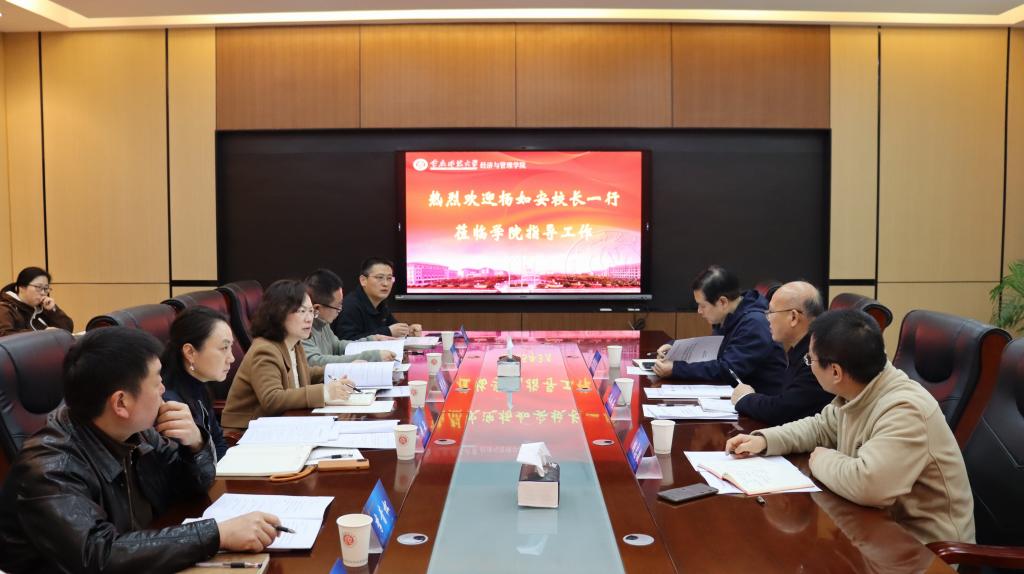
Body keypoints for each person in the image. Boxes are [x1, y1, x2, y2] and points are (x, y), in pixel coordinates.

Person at [0, 327, 281, 573]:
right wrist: (217, 535)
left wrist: (195, 445)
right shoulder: (50, 469)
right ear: (121, 403)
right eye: (157, 381)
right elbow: (99, 555)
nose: (163, 390)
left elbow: (191, 488)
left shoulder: (138, 432)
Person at [725, 310, 975, 546]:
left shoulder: (905, 410)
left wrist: (821, 459)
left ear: (835, 371)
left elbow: (870, 485)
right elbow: (820, 427)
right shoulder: (859, 388)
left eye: (810, 359)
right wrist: (765, 440)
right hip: (877, 529)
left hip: (924, 550)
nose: (809, 365)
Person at [221, 279, 354, 431]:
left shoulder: (294, 343)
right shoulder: (265, 350)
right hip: (247, 432)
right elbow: (272, 399)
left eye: (311, 311)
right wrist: (325, 392)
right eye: (302, 311)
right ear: (279, 313)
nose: (309, 318)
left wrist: (342, 371)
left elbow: (303, 374)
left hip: (281, 424)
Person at [653, 265, 786, 394]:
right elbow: (712, 349)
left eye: (702, 306)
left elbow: (729, 370)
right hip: (737, 394)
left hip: (761, 400)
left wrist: (676, 369)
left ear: (723, 302)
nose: (699, 311)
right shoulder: (730, 313)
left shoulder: (755, 323)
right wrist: (675, 348)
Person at [730, 281, 833, 425]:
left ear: (793, 317)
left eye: (771, 312)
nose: (767, 319)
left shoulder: (817, 355)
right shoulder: (802, 346)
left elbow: (783, 411)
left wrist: (745, 398)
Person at [162, 306, 235, 459]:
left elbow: (219, 444)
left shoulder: (198, 385)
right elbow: (182, 469)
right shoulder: (170, 404)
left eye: (230, 347)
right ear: (190, 352)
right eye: (224, 348)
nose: (231, 358)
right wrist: (199, 443)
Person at [302, 268, 397, 367]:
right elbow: (314, 362)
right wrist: (371, 356)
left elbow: (337, 347)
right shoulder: (302, 327)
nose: (340, 310)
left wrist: (372, 340)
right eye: (337, 307)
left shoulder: (322, 322)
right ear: (317, 308)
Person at [336, 257, 422, 341]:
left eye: (389, 278)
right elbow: (346, 341)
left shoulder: (380, 303)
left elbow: (393, 326)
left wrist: (408, 330)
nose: (385, 284)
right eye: (380, 277)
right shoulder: (350, 306)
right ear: (363, 280)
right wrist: (388, 332)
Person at [0, 266, 74, 337]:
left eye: (46, 288)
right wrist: (41, 334)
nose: (43, 293)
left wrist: (53, 310)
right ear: (21, 287)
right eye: (38, 287)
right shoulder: (4, 308)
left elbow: (67, 330)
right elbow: (5, 335)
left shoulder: (43, 307)